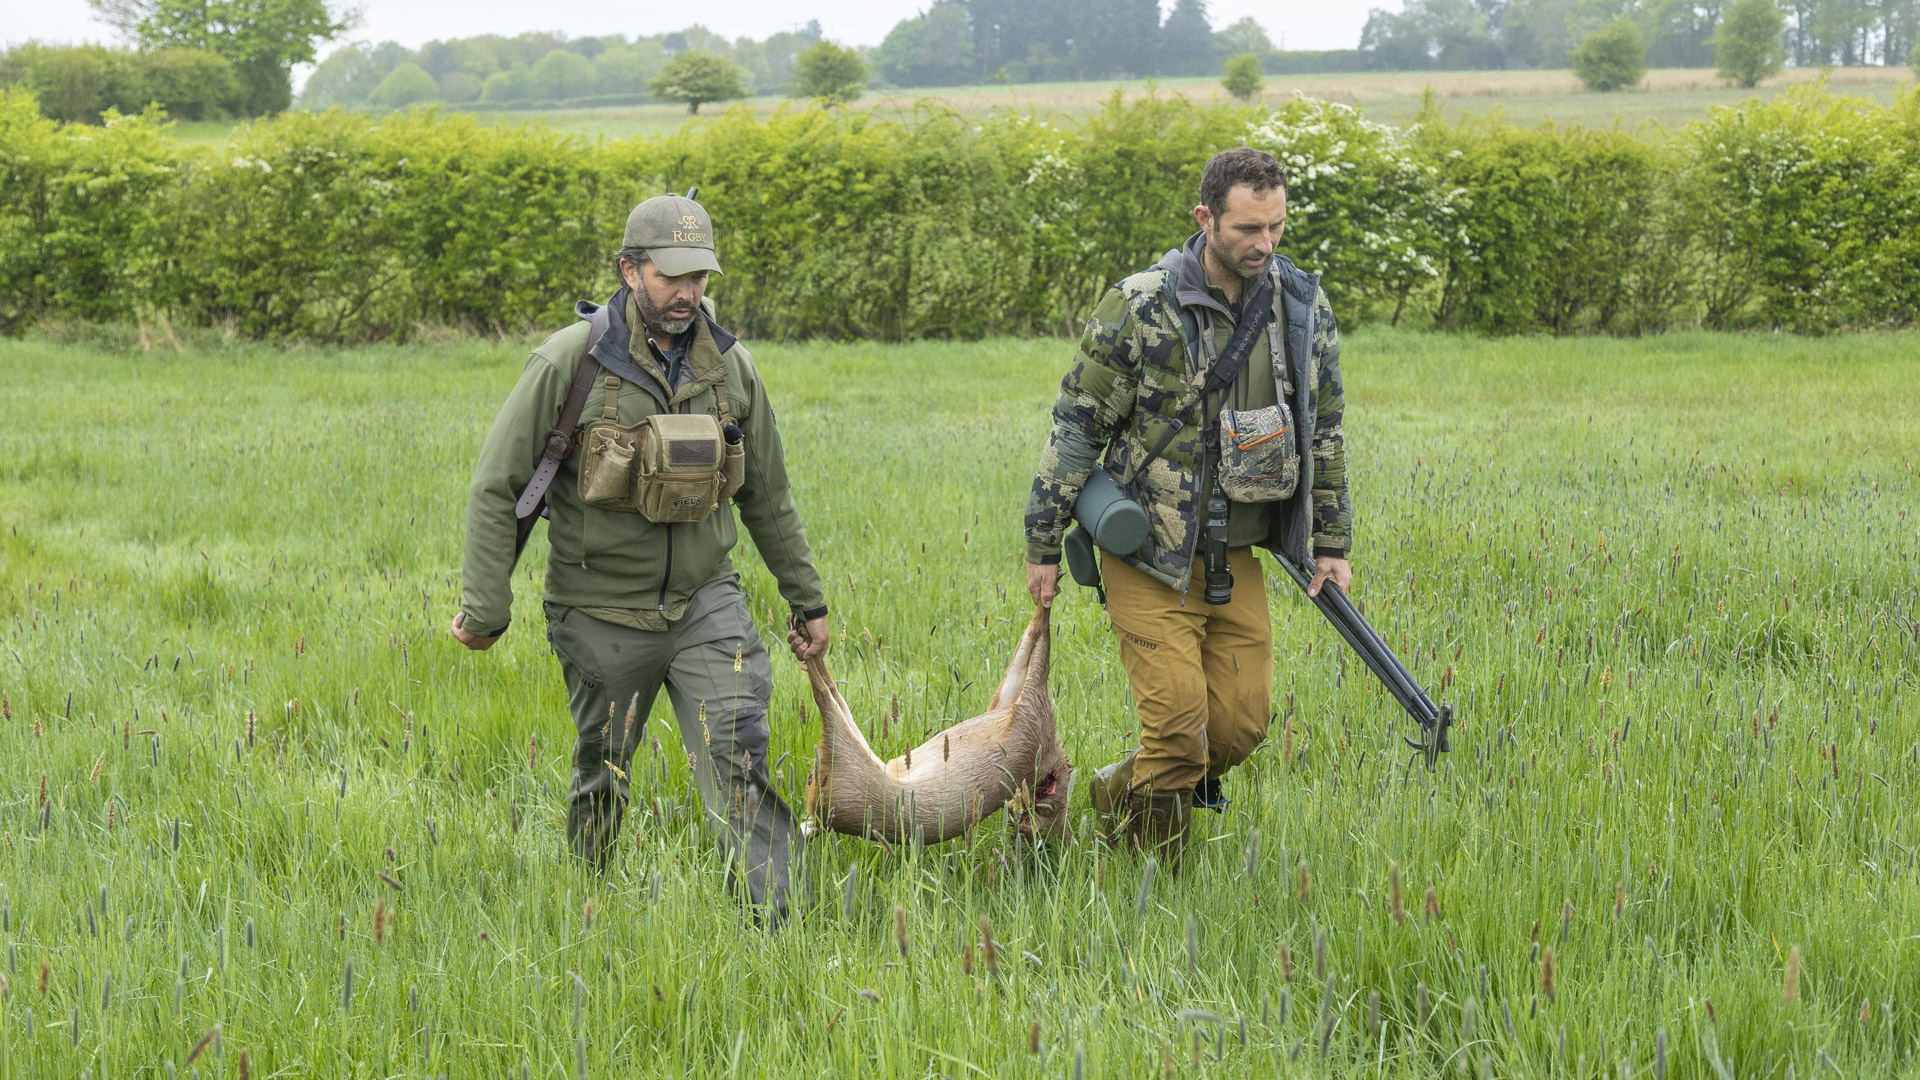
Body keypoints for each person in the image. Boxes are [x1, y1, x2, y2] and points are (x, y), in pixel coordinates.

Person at [451, 194, 830, 921]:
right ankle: (589, 905)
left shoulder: (733, 371)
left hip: (704, 606)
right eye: (672, 277)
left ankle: (784, 932)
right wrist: (487, 606)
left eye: (701, 278)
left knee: (739, 764)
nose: (688, 293)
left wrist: (805, 599)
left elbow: (769, 496)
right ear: (631, 271)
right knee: (606, 771)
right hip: (598, 611)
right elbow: (496, 485)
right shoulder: (571, 362)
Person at [1022, 148, 1353, 869]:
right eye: (1247, 229)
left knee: (1238, 728)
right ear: (1206, 219)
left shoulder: (1300, 304)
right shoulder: (1141, 304)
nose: (1265, 244)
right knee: (1177, 731)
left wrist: (1332, 542)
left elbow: (1323, 426)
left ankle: (1118, 792)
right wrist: (1043, 542)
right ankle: (1157, 884)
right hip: (1149, 555)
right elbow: (1078, 423)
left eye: (1277, 226)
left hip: (1237, 555)